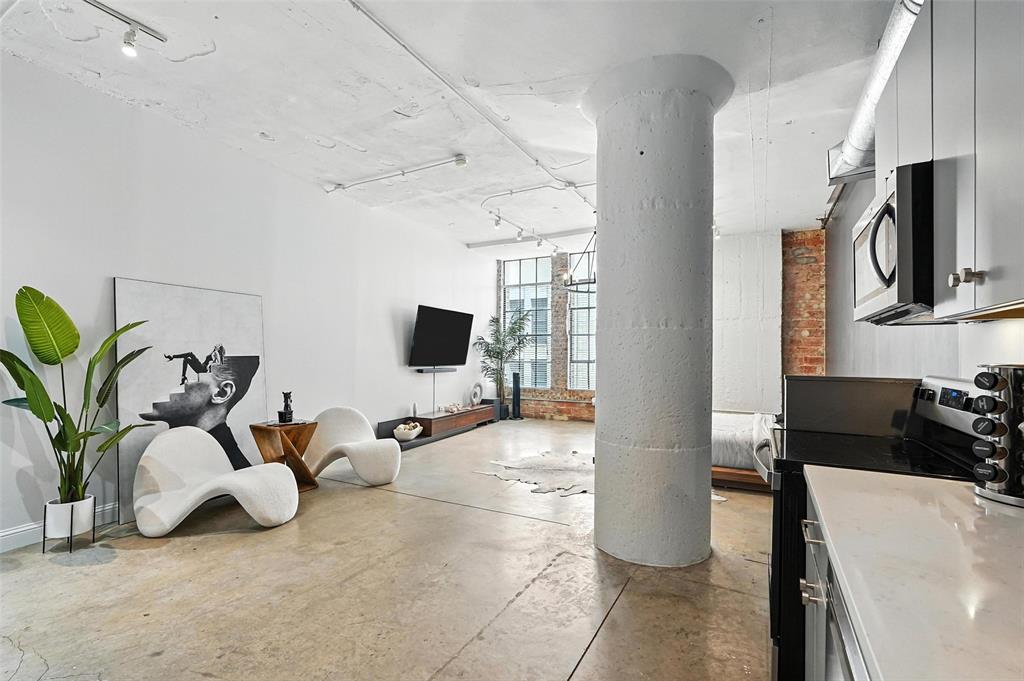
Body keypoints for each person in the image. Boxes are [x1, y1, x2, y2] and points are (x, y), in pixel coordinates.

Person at [140, 346, 260, 470]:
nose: (184, 383)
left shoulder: (227, 466)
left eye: (200, 374)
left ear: (221, 393)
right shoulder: (185, 452)